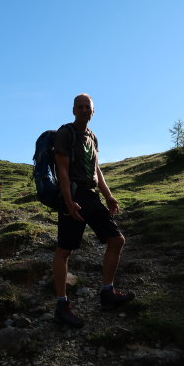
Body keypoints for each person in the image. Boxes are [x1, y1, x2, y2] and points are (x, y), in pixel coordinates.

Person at [52, 93, 135, 328]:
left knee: (116, 240)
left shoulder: (92, 137)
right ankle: (61, 306)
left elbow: (97, 170)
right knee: (64, 249)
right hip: (74, 196)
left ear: (93, 111)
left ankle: (107, 292)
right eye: (80, 107)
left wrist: (108, 196)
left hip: (92, 196)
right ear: (73, 110)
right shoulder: (66, 133)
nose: (84, 110)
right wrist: (68, 202)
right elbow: (63, 171)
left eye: (87, 107)